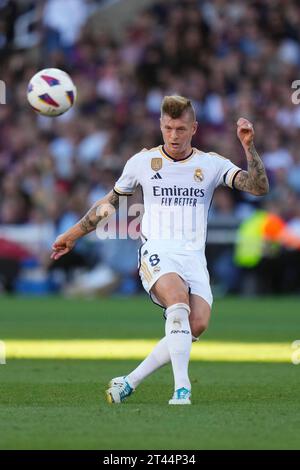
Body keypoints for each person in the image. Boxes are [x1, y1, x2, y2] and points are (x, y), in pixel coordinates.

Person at [51, 95, 269, 405]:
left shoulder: (211, 164)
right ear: (161, 126)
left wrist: (248, 147)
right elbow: (109, 204)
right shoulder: (142, 162)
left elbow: (258, 187)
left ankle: (129, 381)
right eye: (168, 128)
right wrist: (73, 234)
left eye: (181, 129)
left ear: (194, 128)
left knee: (197, 324)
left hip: (193, 257)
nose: (174, 136)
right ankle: (183, 389)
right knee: (177, 303)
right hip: (156, 251)